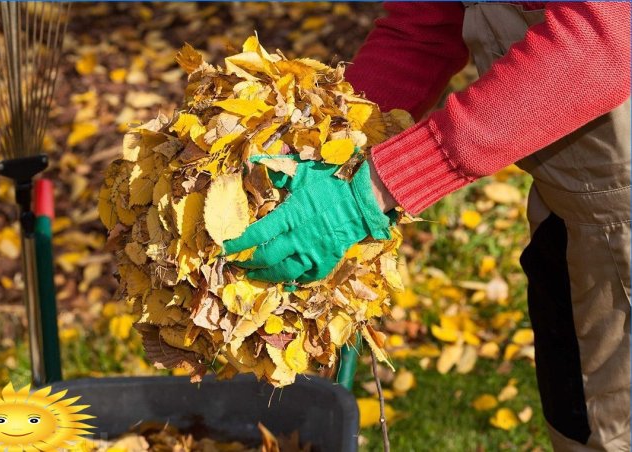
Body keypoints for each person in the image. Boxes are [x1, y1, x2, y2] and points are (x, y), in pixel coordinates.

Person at [224, 3, 631, 450]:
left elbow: (606, 36)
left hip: (620, 221)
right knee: (581, 422)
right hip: (576, 209)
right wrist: (331, 141)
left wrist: (379, 185)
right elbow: (425, 24)